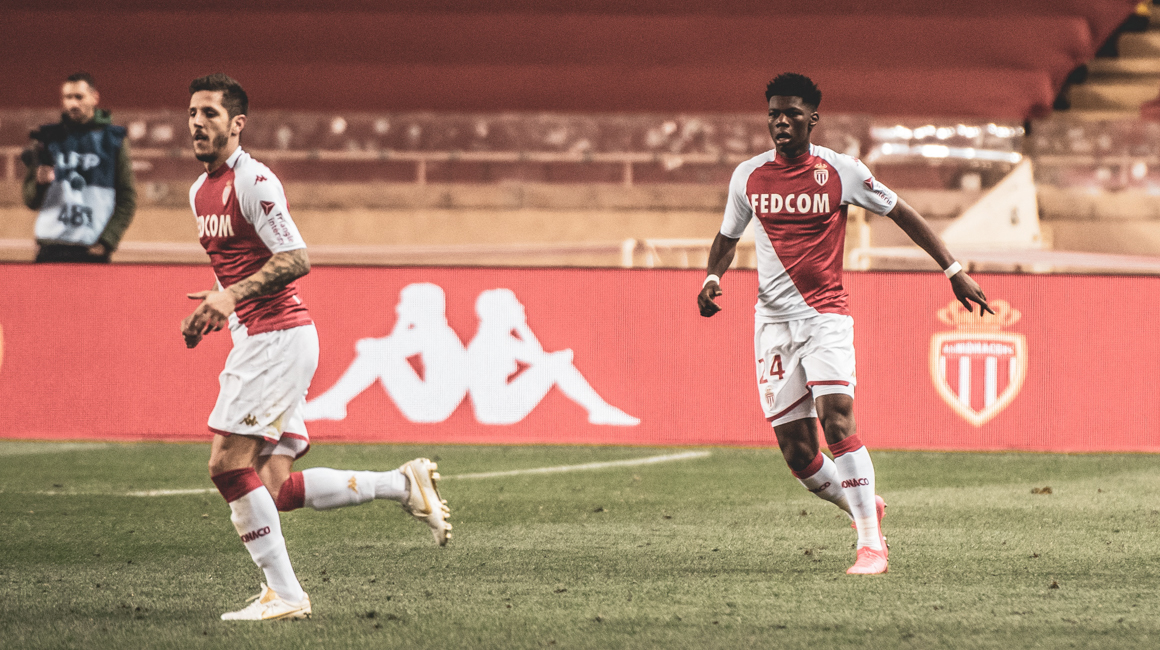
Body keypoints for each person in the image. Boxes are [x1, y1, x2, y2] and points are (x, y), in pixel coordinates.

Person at [179, 73, 451, 621]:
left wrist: (231, 297)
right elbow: (240, 267)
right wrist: (216, 307)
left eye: (210, 114)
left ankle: (285, 595)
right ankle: (402, 484)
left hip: (276, 338)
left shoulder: (254, 181)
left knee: (228, 466)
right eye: (192, 113)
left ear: (237, 124)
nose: (197, 123)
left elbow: (296, 257)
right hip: (265, 337)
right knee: (274, 485)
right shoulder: (198, 191)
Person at [697, 73, 992, 575]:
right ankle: (863, 504)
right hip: (772, 325)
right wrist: (711, 277)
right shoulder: (748, 176)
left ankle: (871, 545)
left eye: (792, 114)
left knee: (836, 418)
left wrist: (953, 270)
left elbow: (902, 213)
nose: (781, 122)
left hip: (825, 316)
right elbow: (728, 236)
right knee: (798, 454)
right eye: (774, 114)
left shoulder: (841, 172)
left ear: (812, 119)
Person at [467, 288, 640, 426]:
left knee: (556, 363)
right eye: (515, 305)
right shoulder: (493, 340)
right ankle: (600, 410)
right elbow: (540, 358)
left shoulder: (496, 338)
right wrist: (520, 325)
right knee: (557, 364)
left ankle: (600, 410)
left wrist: (521, 326)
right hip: (497, 410)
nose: (521, 307)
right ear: (501, 313)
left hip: (495, 409)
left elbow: (538, 356)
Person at [304, 282, 469, 423]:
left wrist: (402, 321)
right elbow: (390, 346)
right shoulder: (437, 331)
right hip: (431, 405)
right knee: (380, 354)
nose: (399, 309)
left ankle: (331, 403)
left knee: (377, 355)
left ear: (421, 308)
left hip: (429, 408)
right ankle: (332, 402)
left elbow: (381, 348)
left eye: (405, 304)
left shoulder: (432, 333)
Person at [22, 72, 136, 263]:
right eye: (68, 97)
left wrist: (107, 242)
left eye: (79, 97)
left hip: (92, 248)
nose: (73, 104)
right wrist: (40, 184)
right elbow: (30, 201)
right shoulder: (46, 139)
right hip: (50, 246)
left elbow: (127, 198)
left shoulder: (114, 140)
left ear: (94, 98)